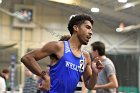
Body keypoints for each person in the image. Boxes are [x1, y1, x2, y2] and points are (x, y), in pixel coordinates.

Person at [21, 14, 104, 93]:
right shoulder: (58, 46)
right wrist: (45, 77)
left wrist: (95, 73)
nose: (91, 32)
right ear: (76, 28)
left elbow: (89, 85)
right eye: (87, 27)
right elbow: (27, 58)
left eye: (91, 29)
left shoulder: (86, 56)